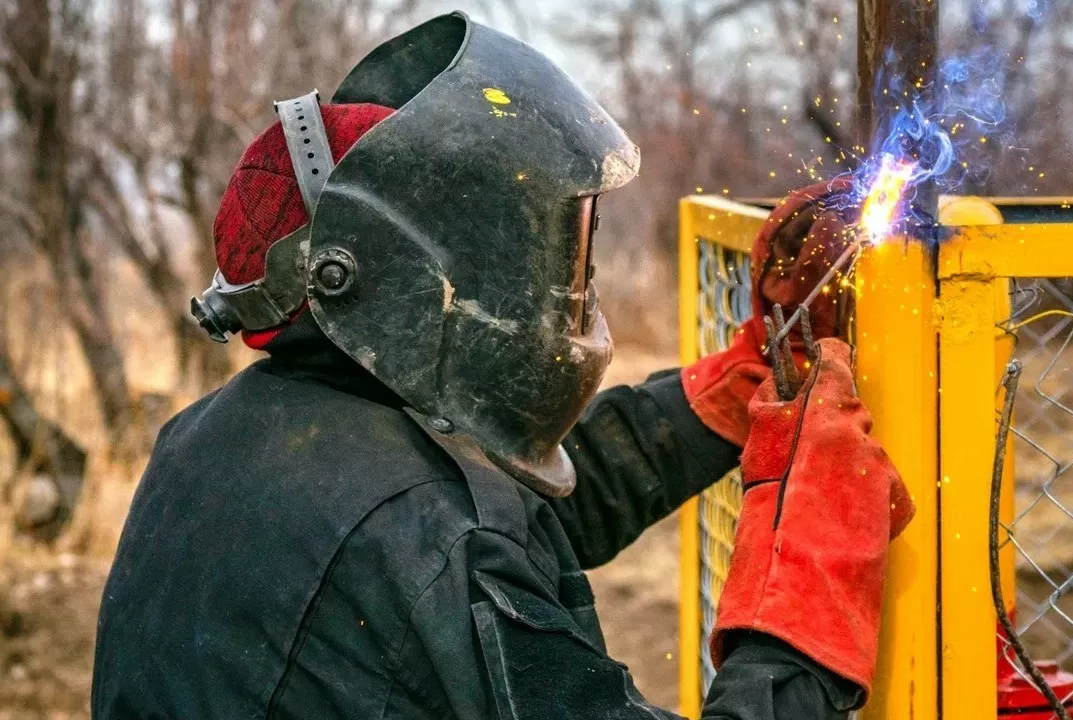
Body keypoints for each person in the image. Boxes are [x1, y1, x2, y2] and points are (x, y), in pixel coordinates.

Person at [91, 11, 913, 720]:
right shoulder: (431, 545)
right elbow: (459, 540)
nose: (562, 283)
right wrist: (808, 572)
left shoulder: (223, 436)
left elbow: (519, 505)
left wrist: (735, 390)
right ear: (411, 270)